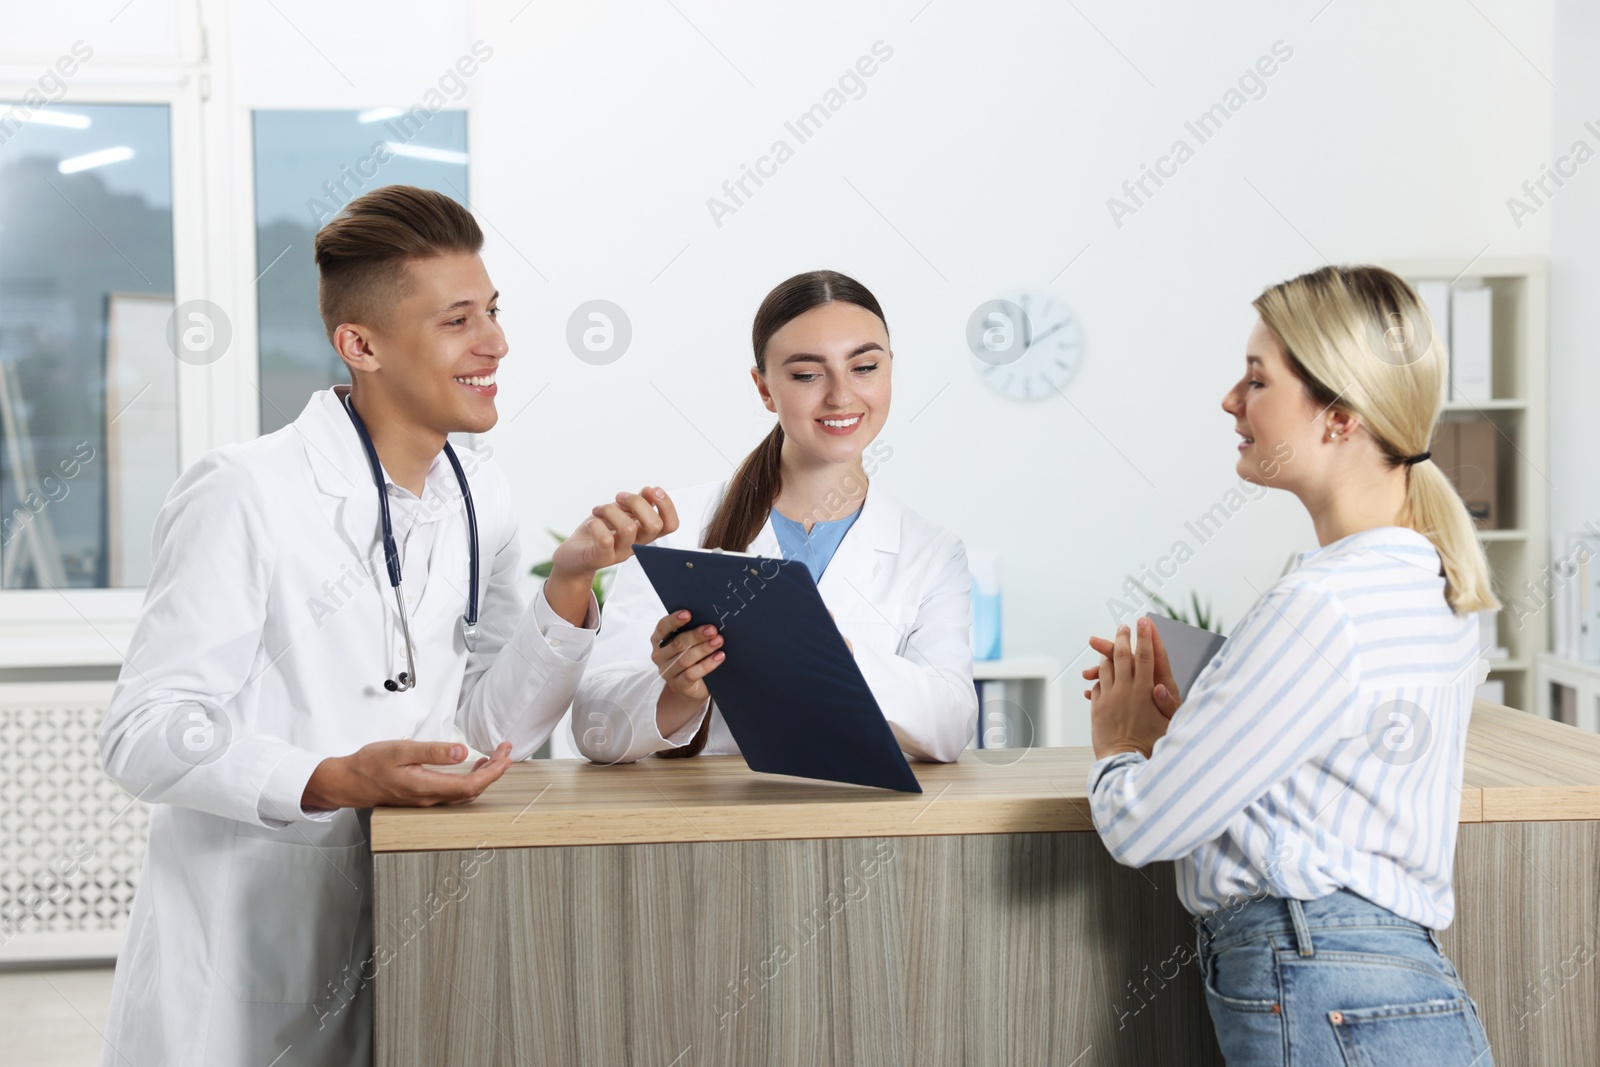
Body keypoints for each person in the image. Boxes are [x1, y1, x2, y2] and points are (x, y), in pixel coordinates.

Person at [97, 185, 677, 1066]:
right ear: (359, 344)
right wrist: (331, 777)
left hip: (415, 918)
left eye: (492, 311)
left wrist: (569, 586)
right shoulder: (244, 492)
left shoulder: (480, 493)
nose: (496, 343)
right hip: (239, 957)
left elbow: (489, 731)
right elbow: (142, 735)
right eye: (457, 320)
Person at [1084, 265, 1496, 1065]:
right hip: (1395, 978)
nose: (1231, 402)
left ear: (1339, 416)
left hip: (1320, 976)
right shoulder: (1425, 579)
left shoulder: (1321, 604)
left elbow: (1144, 825)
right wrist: (1210, 720)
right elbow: (1333, 777)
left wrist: (1125, 744)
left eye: (1256, 380)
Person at [570, 269, 976, 765]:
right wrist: (679, 693)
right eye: (807, 374)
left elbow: (953, 725)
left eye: (864, 367)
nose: (841, 396)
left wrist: (842, 659)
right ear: (764, 390)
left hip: (861, 823)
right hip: (707, 830)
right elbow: (594, 730)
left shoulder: (931, 552)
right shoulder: (674, 530)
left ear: (890, 369)